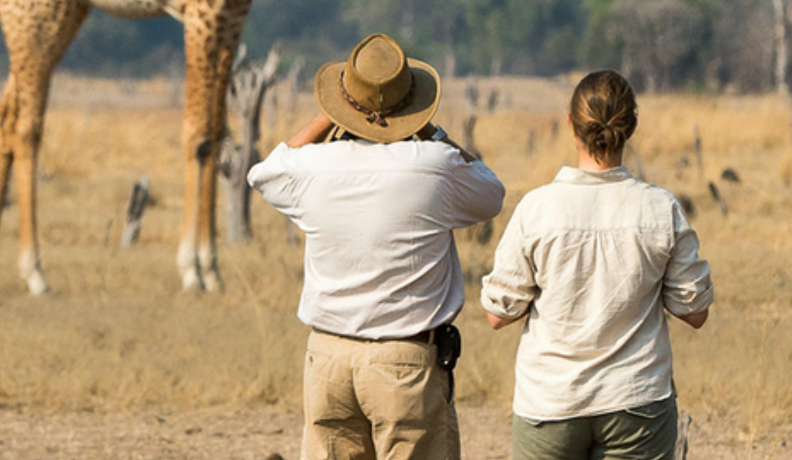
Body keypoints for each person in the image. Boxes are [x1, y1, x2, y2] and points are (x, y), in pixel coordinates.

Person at [249, 33, 506, 460]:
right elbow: (490, 190)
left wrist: (330, 114)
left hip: (328, 357)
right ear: (413, 104)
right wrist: (429, 128)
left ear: (341, 101)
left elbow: (264, 173)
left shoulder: (313, 168)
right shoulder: (434, 166)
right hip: (405, 360)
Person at [481, 69, 714, 460]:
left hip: (549, 402)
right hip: (637, 399)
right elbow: (696, 312)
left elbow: (497, 315)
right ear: (632, 125)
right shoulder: (661, 208)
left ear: (571, 123)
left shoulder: (537, 208)